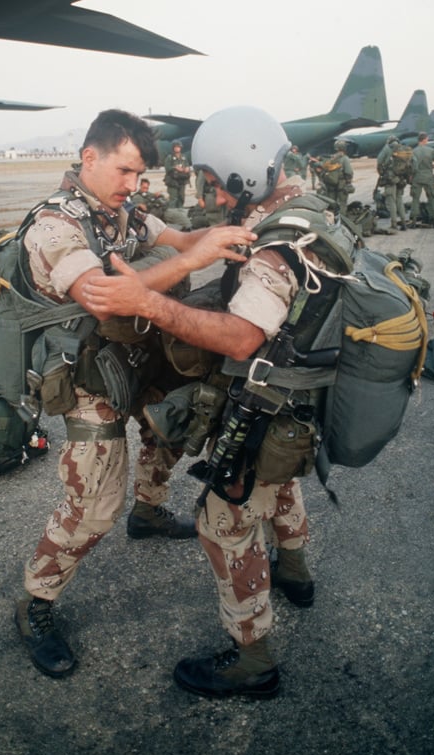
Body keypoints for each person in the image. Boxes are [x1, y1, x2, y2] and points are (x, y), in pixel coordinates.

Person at [82, 105, 349, 700]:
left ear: (242, 170)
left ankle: (253, 660)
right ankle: (297, 574)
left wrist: (148, 303)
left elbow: (242, 336)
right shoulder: (309, 209)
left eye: (212, 178)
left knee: (223, 522)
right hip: (303, 400)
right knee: (282, 483)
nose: (208, 190)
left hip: (272, 400)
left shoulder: (276, 248)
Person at [15, 109, 256, 678]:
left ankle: (147, 513)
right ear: (89, 157)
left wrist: (244, 234)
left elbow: (182, 237)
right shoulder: (55, 226)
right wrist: (193, 259)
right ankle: (35, 602)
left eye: (140, 173)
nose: (132, 184)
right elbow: (100, 294)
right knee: (92, 509)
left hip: (131, 356)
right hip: (84, 378)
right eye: (124, 170)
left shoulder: (119, 213)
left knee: (173, 423)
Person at [376, 138, 411, 231]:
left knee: (391, 200)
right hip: (401, 179)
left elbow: (379, 161)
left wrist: (382, 173)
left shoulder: (387, 148)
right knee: (399, 200)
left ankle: (394, 223)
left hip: (390, 178)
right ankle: (404, 222)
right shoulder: (403, 149)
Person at [311, 140, 354, 214]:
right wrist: (348, 182)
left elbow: (323, 167)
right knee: (342, 203)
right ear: (344, 148)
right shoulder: (344, 158)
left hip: (330, 183)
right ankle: (342, 221)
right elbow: (348, 171)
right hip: (341, 184)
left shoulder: (331, 158)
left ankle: (331, 219)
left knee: (331, 203)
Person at [409, 132, 434, 228]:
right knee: (431, 198)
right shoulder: (431, 150)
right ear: (425, 139)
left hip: (417, 177)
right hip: (428, 177)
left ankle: (413, 221)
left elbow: (411, 167)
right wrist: (431, 166)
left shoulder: (413, 151)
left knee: (415, 199)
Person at [164, 141, 191, 208]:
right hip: (173, 181)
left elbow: (187, 165)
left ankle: (180, 211)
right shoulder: (170, 157)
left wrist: (187, 168)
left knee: (181, 197)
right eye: (176, 147)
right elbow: (167, 168)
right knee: (173, 198)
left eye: (178, 147)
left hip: (182, 180)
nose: (177, 148)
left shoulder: (183, 157)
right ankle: (171, 213)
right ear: (173, 148)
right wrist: (175, 168)